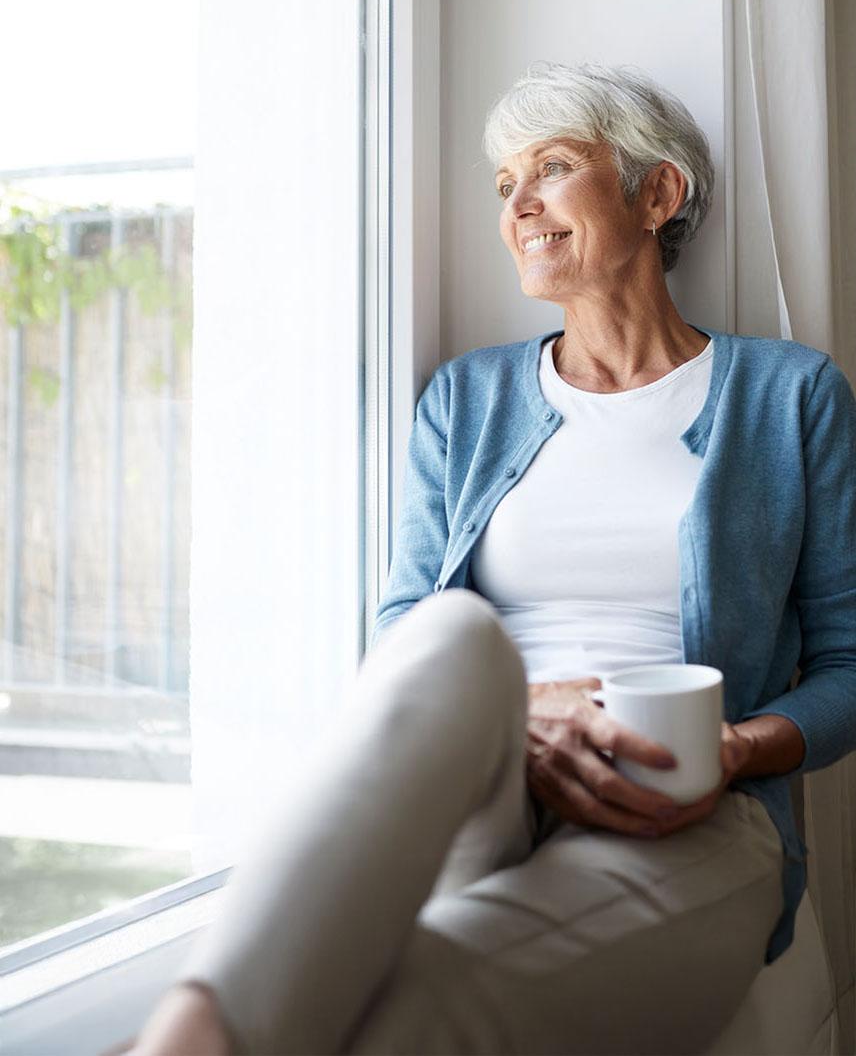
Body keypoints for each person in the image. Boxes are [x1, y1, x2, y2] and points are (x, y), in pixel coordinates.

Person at [125, 61, 856, 1055]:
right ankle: (195, 1027)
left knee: (412, 1002)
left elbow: (851, 662)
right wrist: (525, 712)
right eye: (504, 183)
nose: (519, 203)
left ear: (658, 193)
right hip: (492, 773)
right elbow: (400, 635)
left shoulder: (788, 394)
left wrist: (732, 749)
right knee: (449, 632)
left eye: (551, 167)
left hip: (686, 806)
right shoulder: (462, 400)